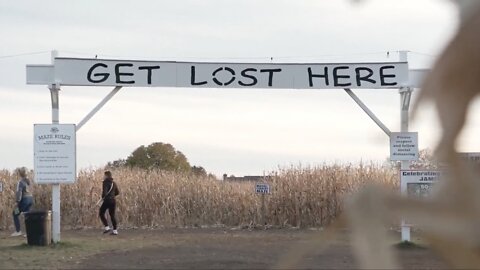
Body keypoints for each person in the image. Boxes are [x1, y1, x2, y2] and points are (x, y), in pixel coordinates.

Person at [11, 167, 33, 237]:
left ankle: (18, 231)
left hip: (24, 201)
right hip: (30, 200)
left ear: (20, 174)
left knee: (15, 213)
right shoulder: (29, 182)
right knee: (27, 216)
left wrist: (17, 202)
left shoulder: (20, 182)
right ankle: (29, 232)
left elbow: (19, 193)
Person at [99, 170, 120, 235]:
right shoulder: (114, 183)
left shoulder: (105, 182)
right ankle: (115, 231)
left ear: (106, 175)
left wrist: (103, 197)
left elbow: (104, 192)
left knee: (101, 213)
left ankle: (107, 227)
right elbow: (117, 192)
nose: (103, 176)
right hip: (113, 201)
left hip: (107, 201)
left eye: (104, 175)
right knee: (112, 215)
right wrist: (112, 196)